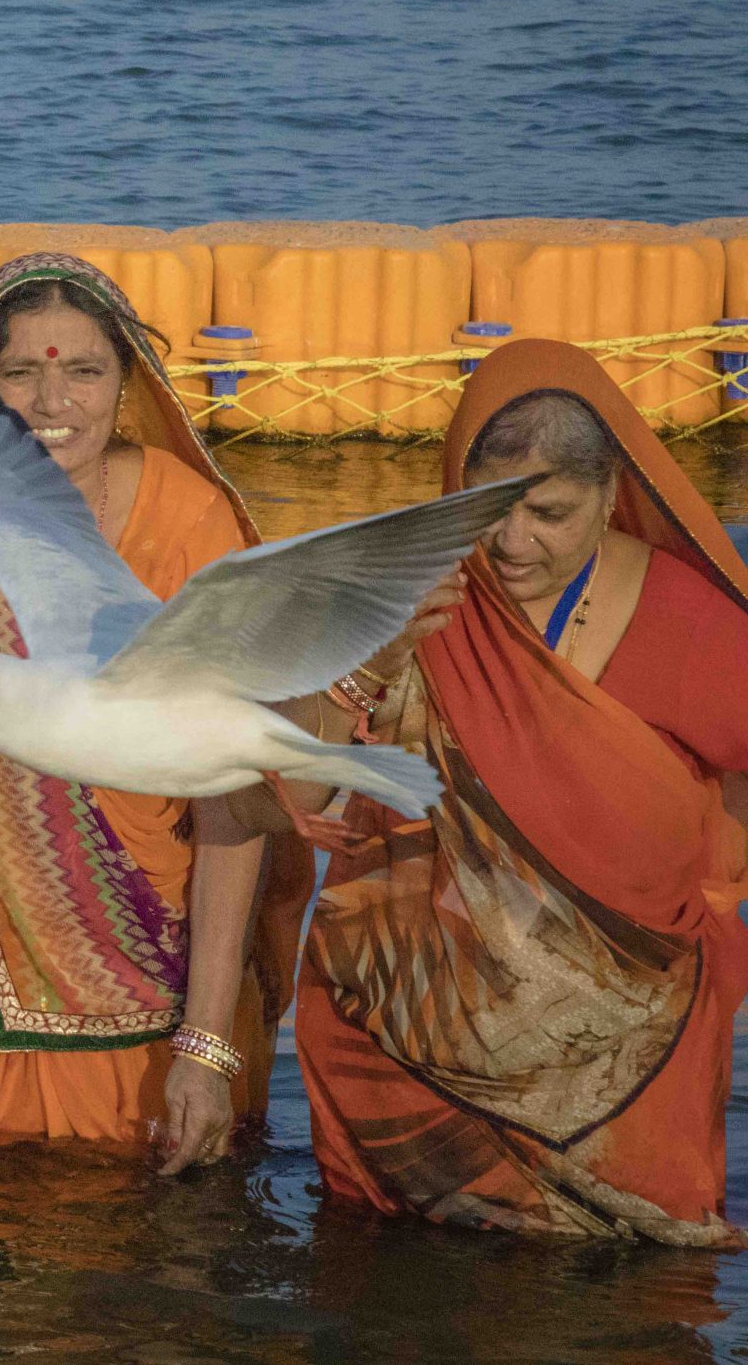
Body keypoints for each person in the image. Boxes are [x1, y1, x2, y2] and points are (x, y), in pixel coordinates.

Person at [0, 252, 308, 1171]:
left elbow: (230, 801)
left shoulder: (188, 520)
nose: (53, 401)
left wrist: (204, 1046)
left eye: (84, 371)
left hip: (148, 996)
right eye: (20, 373)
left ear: (128, 387)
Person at [294, 337, 748, 1245]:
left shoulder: (690, 622)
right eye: (488, 509)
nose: (512, 541)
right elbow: (296, 783)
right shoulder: (402, 594)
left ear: (612, 491)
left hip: (628, 1073)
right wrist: (371, 664)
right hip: (407, 1073)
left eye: (550, 512)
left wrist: (703, 918)